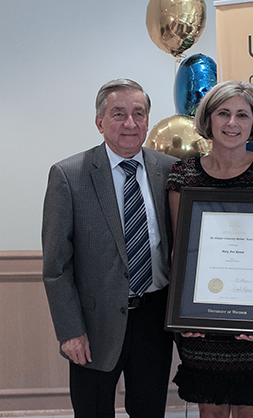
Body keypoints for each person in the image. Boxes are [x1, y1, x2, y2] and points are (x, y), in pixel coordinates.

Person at [42, 79, 178, 418]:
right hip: (93, 324)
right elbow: (57, 266)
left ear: (148, 120)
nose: (130, 124)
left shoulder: (169, 171)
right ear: (100, 121)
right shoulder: (69, 176)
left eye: (138, 113)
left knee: (149, 411)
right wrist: (71, 330)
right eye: (118, 114)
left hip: (154, 319)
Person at [167, 80, 253, 418]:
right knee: (209, 413)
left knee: (247, 413)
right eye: (223, 113)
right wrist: (183, 312)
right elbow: (180, 253)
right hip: (201, 324)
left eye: (242, 115)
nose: (232, 123)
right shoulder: (184, 174)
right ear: (208, 119)